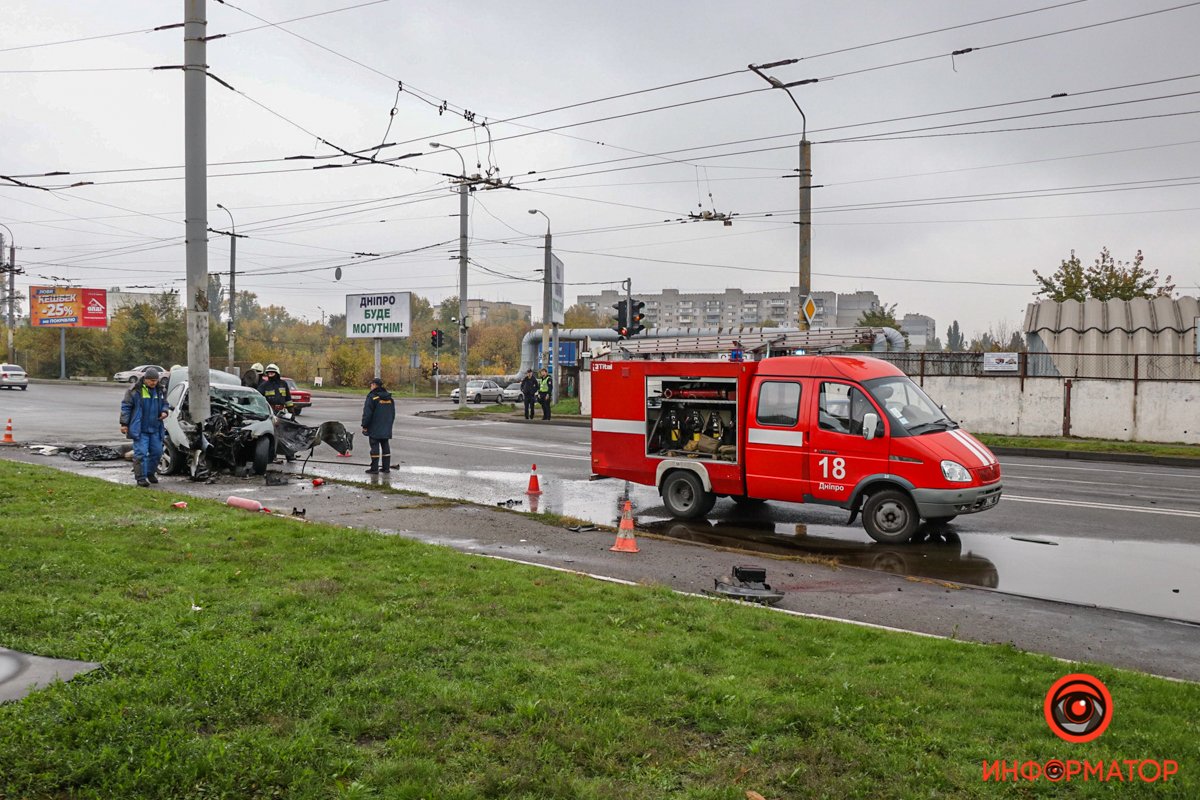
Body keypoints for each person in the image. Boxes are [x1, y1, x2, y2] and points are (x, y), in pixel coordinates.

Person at [119, 366, 169, 487]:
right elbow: (126, 407)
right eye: (151, 380)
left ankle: (150, 473)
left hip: (155, 428)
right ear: (145, 379)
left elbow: (165, 403)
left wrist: (164, 411)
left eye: (156, 380)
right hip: (140, 429)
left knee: (157, 452)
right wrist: (124, 424)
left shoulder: (160, 390)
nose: (154, 383)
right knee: (141, 453)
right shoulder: (134, 390)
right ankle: (141, 477)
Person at [361, 377, 396, 473]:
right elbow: (393, 414)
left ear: (374, 385)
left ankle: (374, 468)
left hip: (374, 426)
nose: (370, 386)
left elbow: (367, 413)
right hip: (386, 426)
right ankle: (386, 468)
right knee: (385, 446)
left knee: (374, 446)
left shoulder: (372, 397)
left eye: (371, 385)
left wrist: (364, 425)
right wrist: (389, 424)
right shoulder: (389, 398)